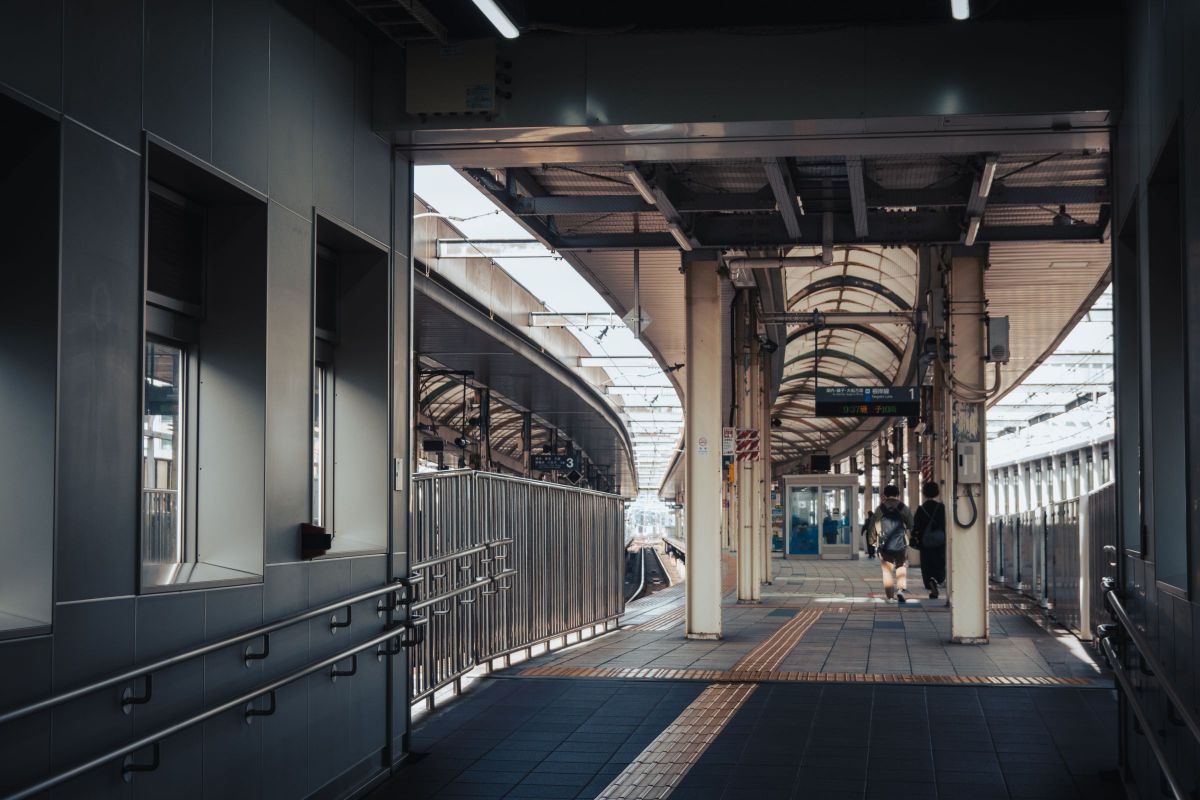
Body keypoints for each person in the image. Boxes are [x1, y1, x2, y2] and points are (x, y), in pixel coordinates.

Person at [866, 485, 915, 603]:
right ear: (898, 494)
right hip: (900, 544)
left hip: (884, 545)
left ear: (885, 495)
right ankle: (900, 590)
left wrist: (872, 542)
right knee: (901, 566)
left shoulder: (880, 509)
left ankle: (890, 597)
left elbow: (872, 526)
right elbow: (911, 525)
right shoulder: (903, 508)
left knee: (887, 571)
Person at [912, 482, 947, 600]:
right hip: (940, 542)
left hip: (925, 543)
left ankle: (930, 582)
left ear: (924, 493)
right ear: (937, 492)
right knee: (940, 563)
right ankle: (937, 579)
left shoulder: (921, 509)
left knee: (927, 565)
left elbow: (915, 526)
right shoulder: (941, 508)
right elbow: (945, 524)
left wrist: (915, 539)